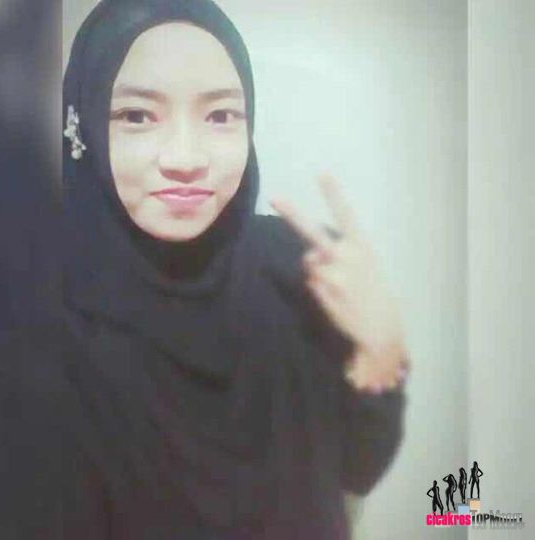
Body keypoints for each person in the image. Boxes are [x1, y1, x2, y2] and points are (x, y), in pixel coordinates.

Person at [60, 0, 409, 538]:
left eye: (220, 115)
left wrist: (380, 350)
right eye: (137, 116)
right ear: (82, 125)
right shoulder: (39, 316)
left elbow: (360, 466)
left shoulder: (301, 266)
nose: (185, 158)